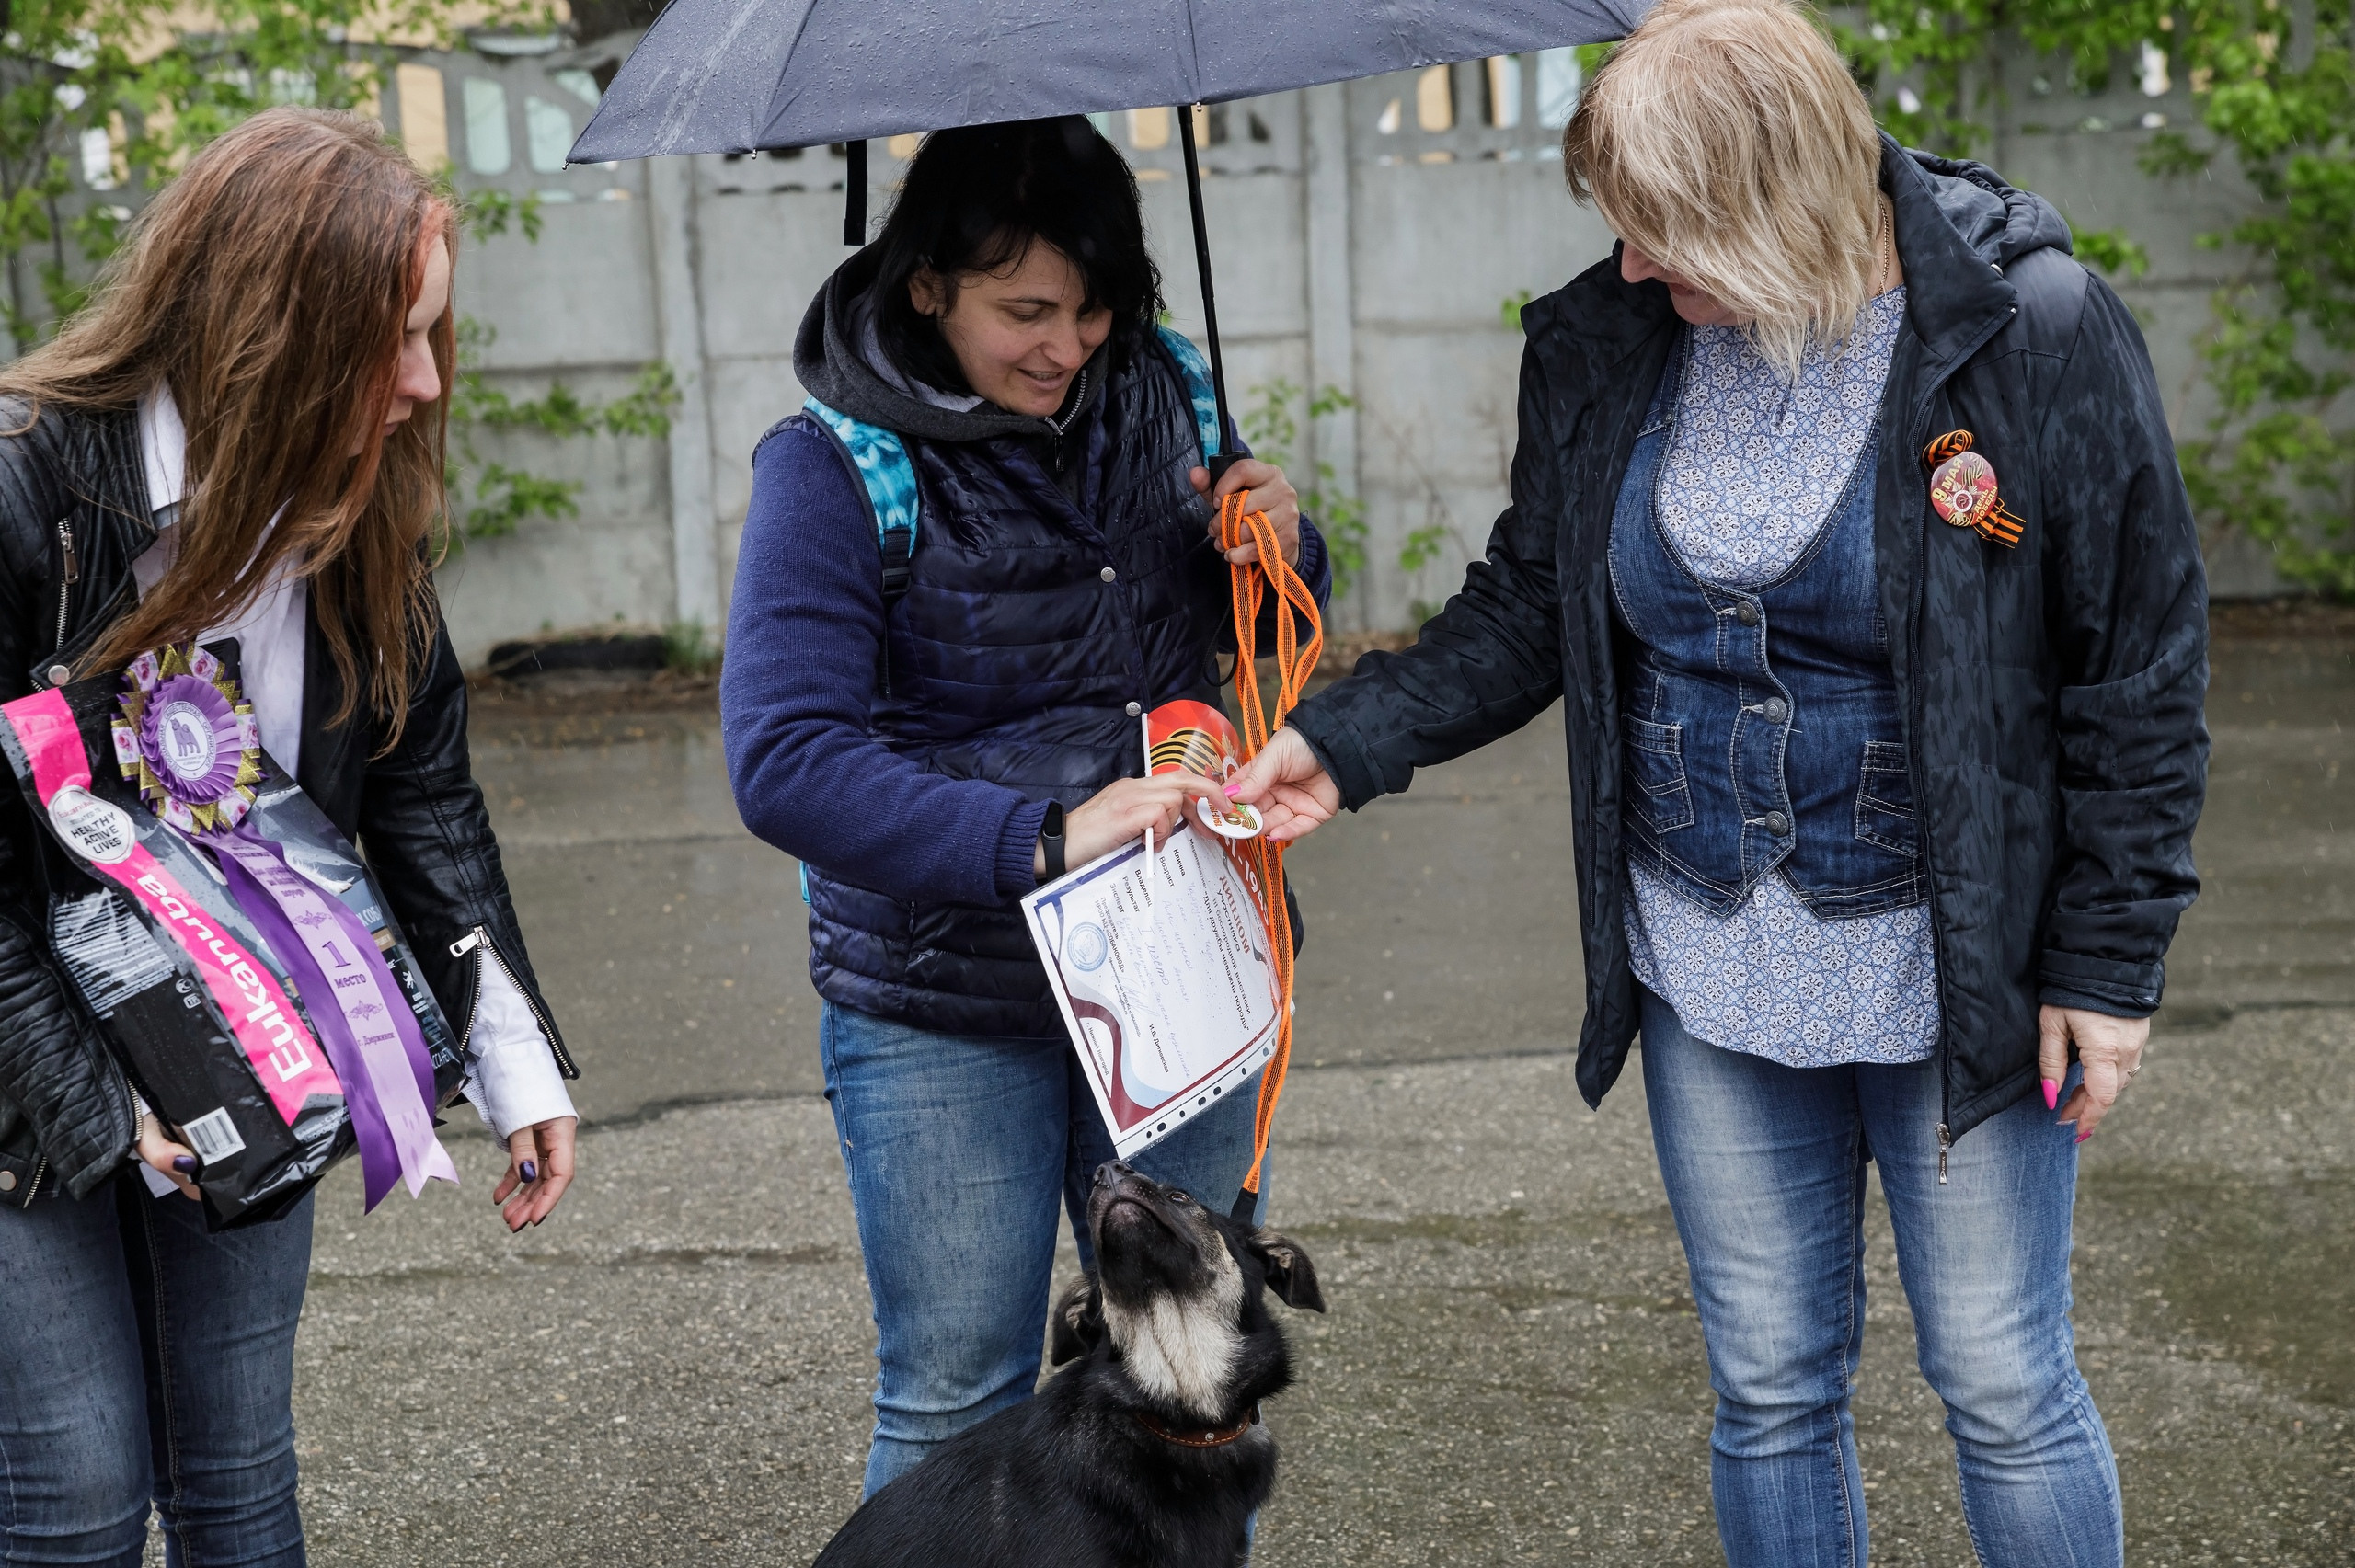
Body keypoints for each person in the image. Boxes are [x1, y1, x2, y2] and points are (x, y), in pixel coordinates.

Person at [1229, 4, 2208, 1564]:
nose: (1629, 266)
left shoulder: (2028, 330)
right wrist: (1345, 740)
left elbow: (2138, 671)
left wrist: (2109, 964)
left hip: (1958, 964)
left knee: (2005, 1382)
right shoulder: (1616, 338)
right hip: (1706, 960)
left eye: (1661, 231)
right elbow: (1526, 599)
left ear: (1780, 205)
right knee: (1768, 1388)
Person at [0, 109, 580, 1565]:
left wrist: (506, 1056)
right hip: (18, 1065)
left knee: (240, 1478)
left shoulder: (357, 511)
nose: (425, 383)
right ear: (271, 329)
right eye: (394, 342)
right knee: (73, 1498)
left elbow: (422, 780)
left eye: (434, 336)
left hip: (242, 1044)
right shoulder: (24, 488)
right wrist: (102, 1108)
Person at [722, 117, 1329, 1495]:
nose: (1067, 344)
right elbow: (785, 759)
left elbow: (1260, 623)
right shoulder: (830, 466)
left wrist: (1283, 540)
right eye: (1026, 311)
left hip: (1183, 970)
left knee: (1200, 1384)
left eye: (1096, 307)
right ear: (928, 282)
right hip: (947, 997)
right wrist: (1045, 837)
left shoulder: (1168, 389)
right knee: (955, 1401)